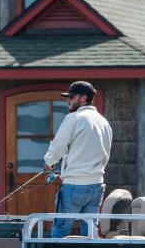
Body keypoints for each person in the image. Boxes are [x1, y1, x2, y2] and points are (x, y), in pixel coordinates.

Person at [43, 81, 113, 238]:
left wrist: (49, 163)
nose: (68, 100)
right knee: (91, 232)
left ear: (83, 98)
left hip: (74, 186)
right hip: (96, 185)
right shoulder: (104, 122)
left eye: (71, 97)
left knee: (60, 232)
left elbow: (57, 147)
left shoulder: (73, 118)